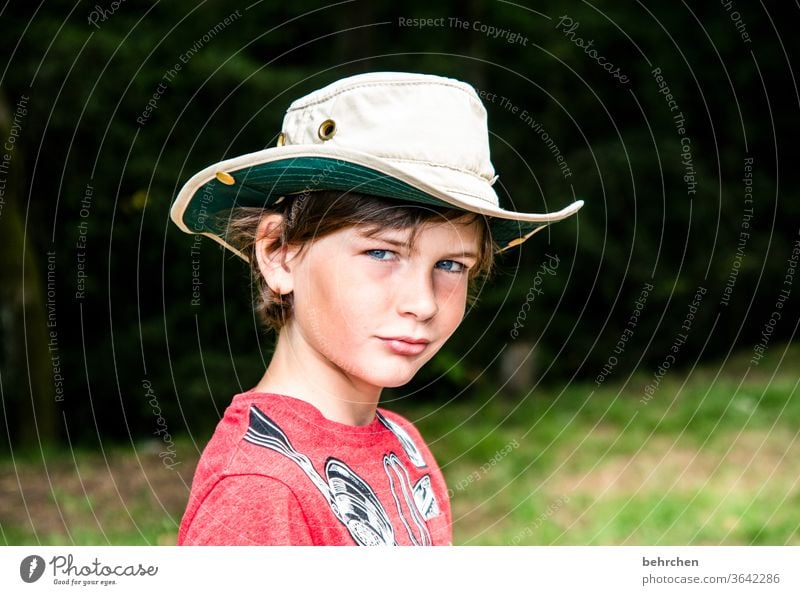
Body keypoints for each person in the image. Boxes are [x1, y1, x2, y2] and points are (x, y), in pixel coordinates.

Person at [169, 71, 583, 545]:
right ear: (279, 253)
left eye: (450, 264)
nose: (422, 302)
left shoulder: (402, 444)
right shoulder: (260, 492)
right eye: (382, 253)